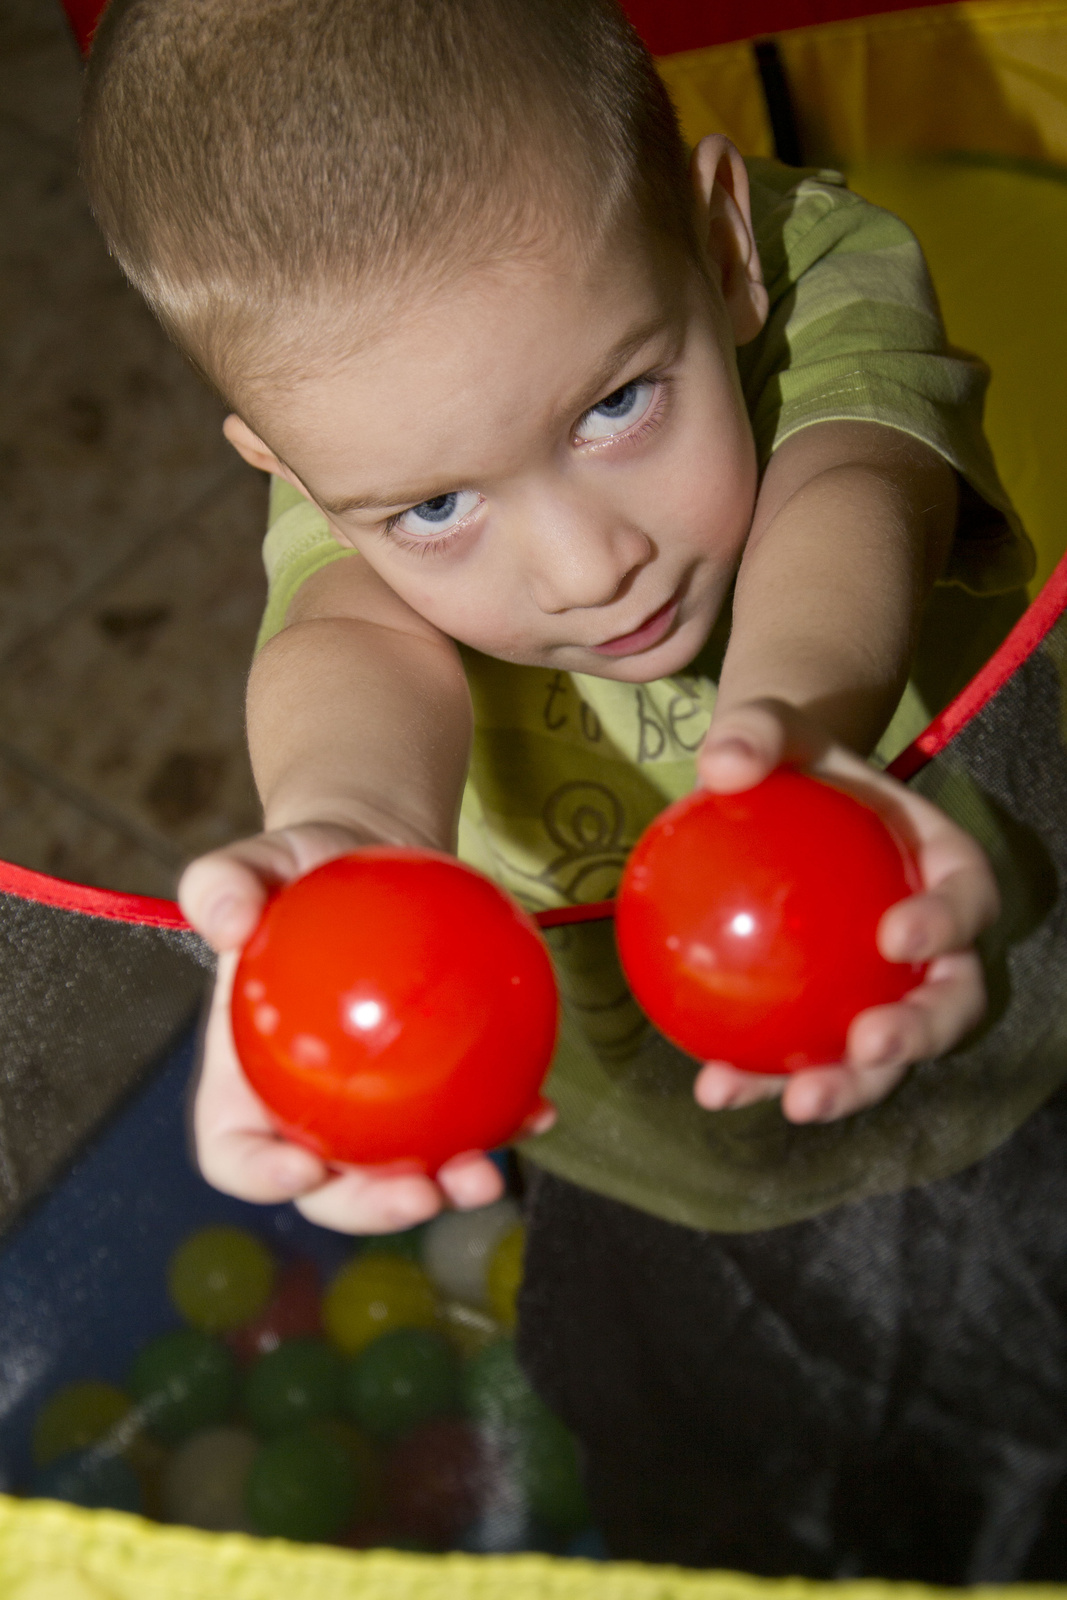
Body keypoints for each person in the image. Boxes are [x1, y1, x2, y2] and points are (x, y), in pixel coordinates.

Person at [79, 0, 1040, 1574]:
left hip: (990, 1010)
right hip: (644, 1151)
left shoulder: (810, 262)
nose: (590, 566)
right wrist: (345, 845)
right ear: (287, 465)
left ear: (722, 250)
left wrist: (795, 735)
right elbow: (343, 643)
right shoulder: (368, 438)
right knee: (711, 1484)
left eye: (617, 405)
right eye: (437, 506)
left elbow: (855, 481)